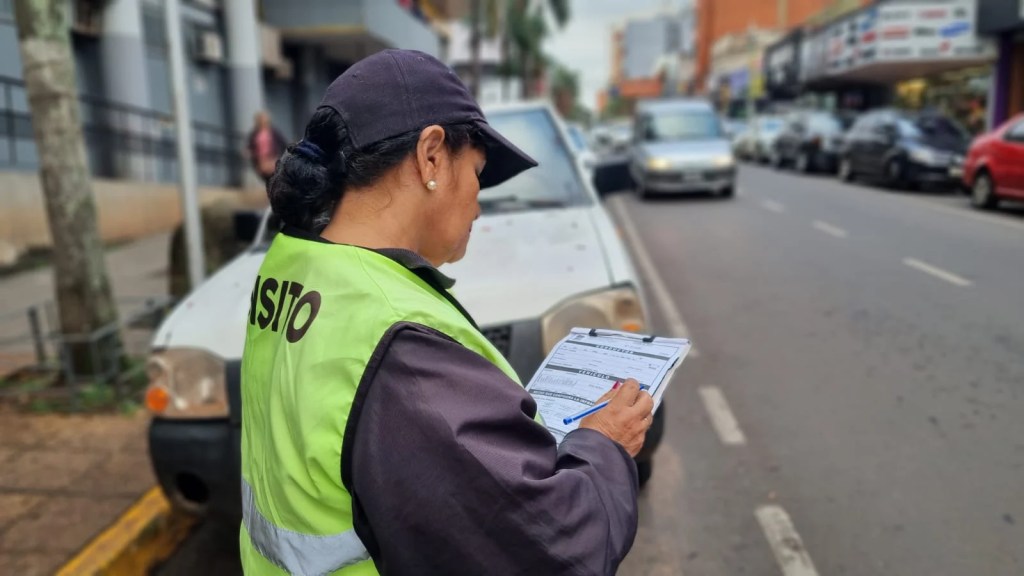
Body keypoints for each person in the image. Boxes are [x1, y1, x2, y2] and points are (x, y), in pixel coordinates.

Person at [239, 49, 654, 576]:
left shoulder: (294, 267)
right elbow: (558, 548)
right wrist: (604, 443)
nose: (479, 200)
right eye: (478, 172)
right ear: (431, 155)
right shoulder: (401, 343)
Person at [246, 110, 287, 185]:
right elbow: (250, 146)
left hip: (272, 158)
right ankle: (271, 193)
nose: (263, 121)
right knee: (267, 179)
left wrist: (279, 156)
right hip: (261, 160)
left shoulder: (274, 131)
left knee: (275, 177)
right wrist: (249, 152)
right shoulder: (254, 133)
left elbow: (283, 143)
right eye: (261, 119)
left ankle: (275, 193)